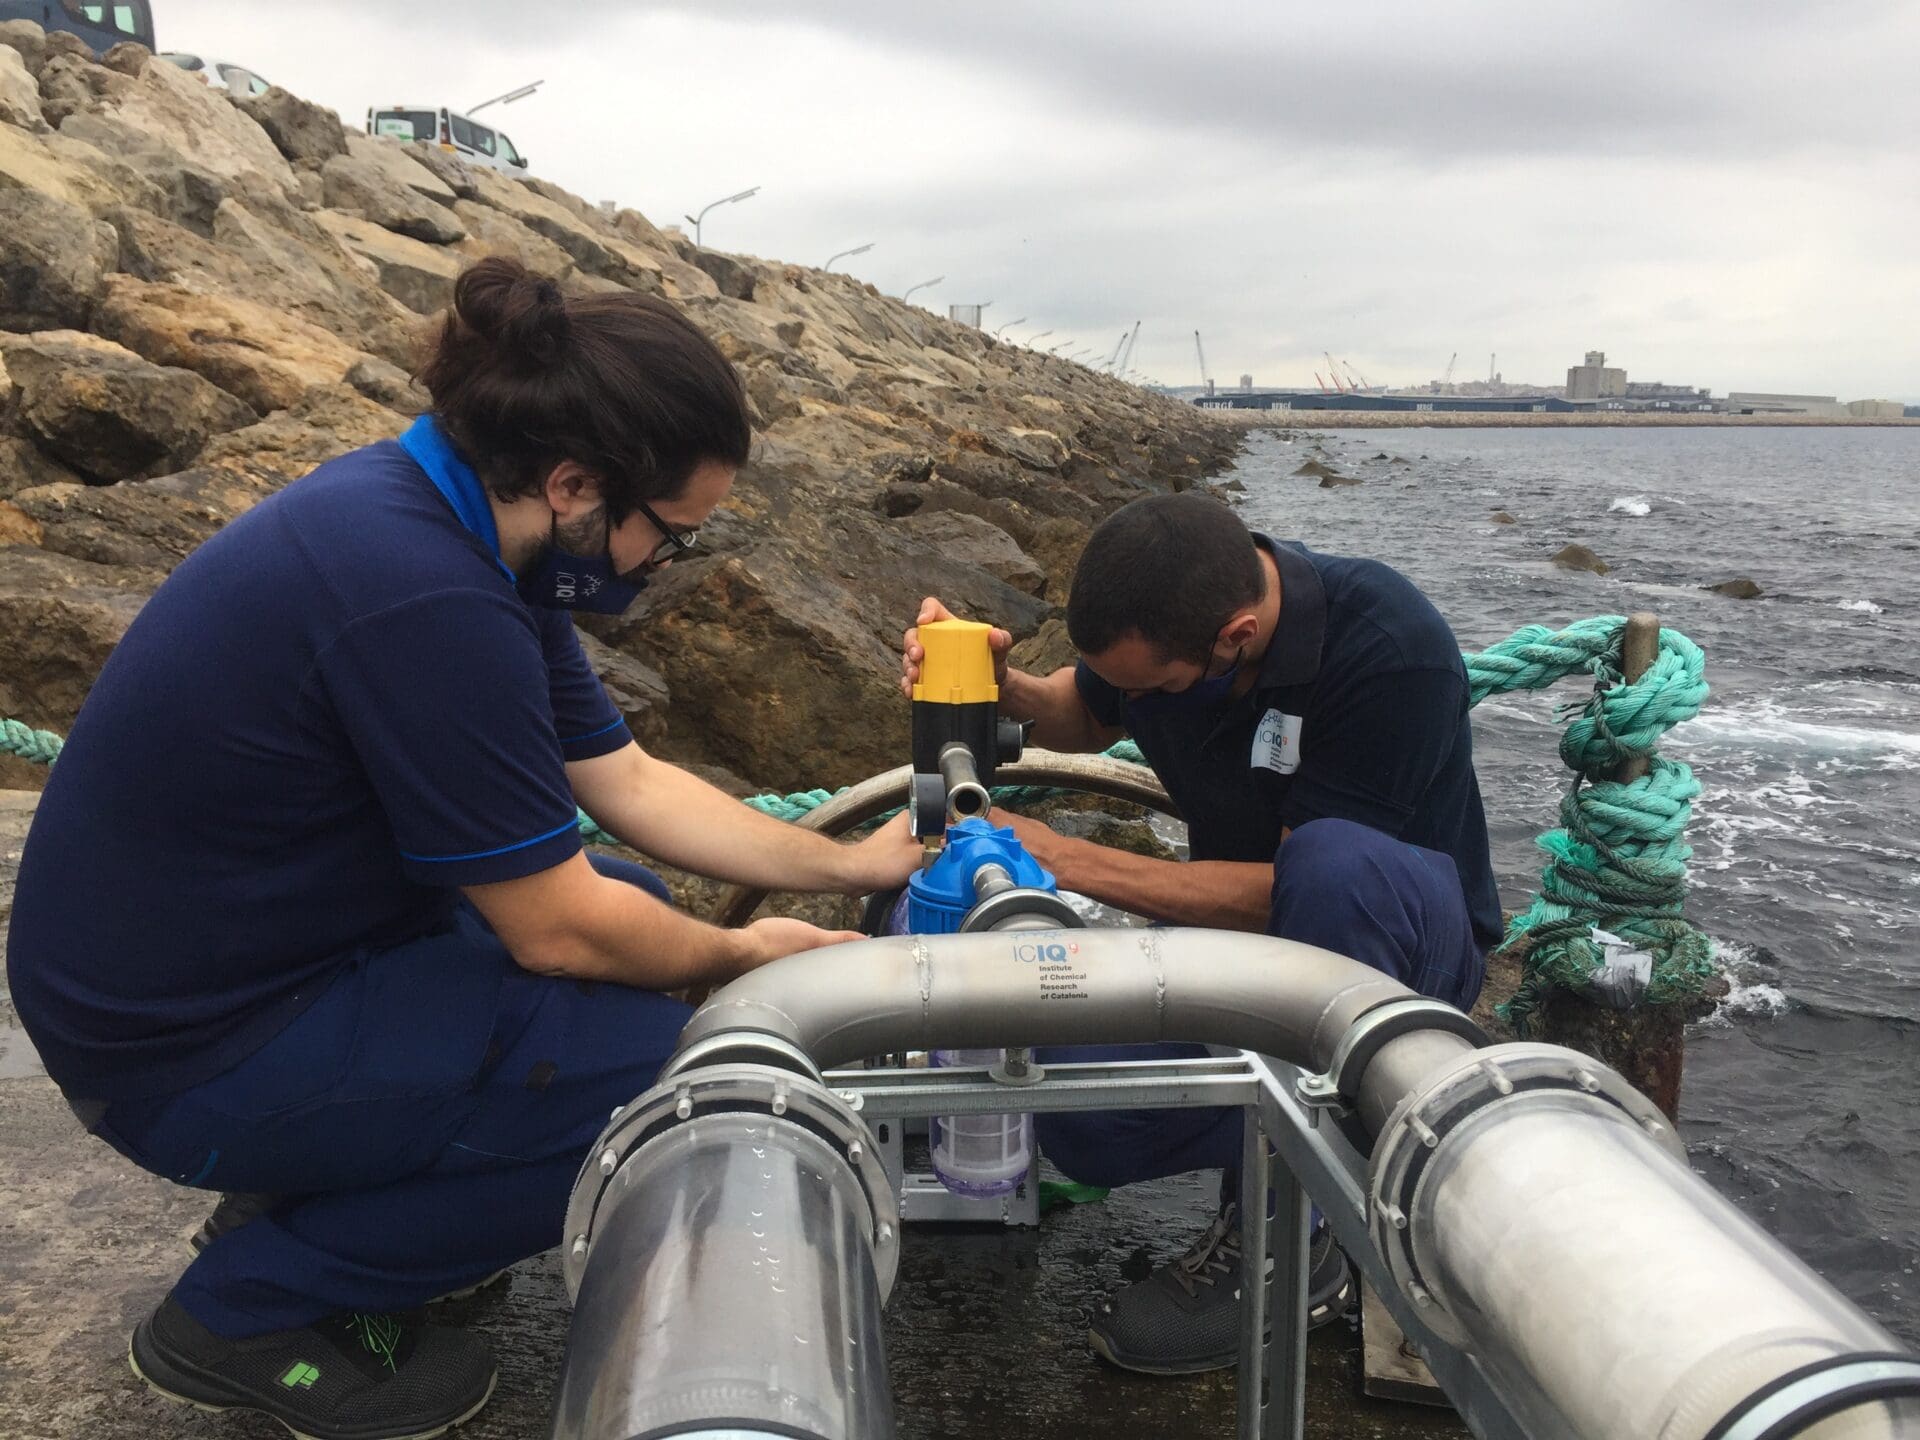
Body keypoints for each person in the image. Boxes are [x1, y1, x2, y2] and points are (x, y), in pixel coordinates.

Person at [6, 258, 924, 1440]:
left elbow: (628, 783)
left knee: (637, 909)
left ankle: (304, 1206)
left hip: (231, 976)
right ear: (577, 482)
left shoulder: (455, 521)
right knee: (668, 1079)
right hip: (181, 1055)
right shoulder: (420, 595)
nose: (660, 566)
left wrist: (856, 866)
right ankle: (245, 1313)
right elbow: (555, 929)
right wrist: (741, 968)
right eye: (670, 535)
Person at [900, 491, 1499, 1376]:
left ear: (1237, 637)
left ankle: (1299, 1230)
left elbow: (1281, 895)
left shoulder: (1392, 650)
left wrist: (1073, 861)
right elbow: (1082, 709)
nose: (1138, 702)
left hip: (1394, 959)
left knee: (1331, 865)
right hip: (1245, 963)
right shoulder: (1170, 615)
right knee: (1073, 1118)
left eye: (1156, 690)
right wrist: (989, 687)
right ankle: (1288, 1127)